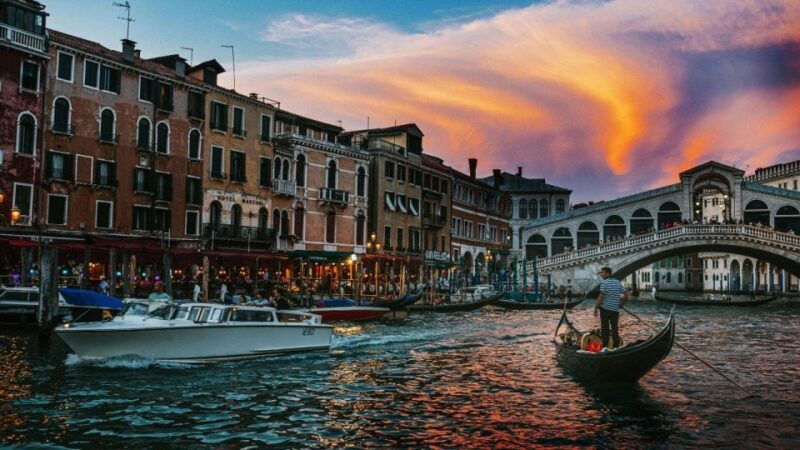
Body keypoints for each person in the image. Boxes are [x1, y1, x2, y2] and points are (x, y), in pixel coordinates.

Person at [593, 267, 628, 349]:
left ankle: (605, 347)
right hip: (615, 310)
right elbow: (626, 295)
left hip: (604, 309)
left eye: (603, 273)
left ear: (608, 273)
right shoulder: (618, 282)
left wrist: (596, 308)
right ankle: (616, 347)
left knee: (605, 329)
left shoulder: (604, 283)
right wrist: (622, 304)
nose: (601, 274)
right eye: (601, 273)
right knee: (614, 329)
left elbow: (601, 296)